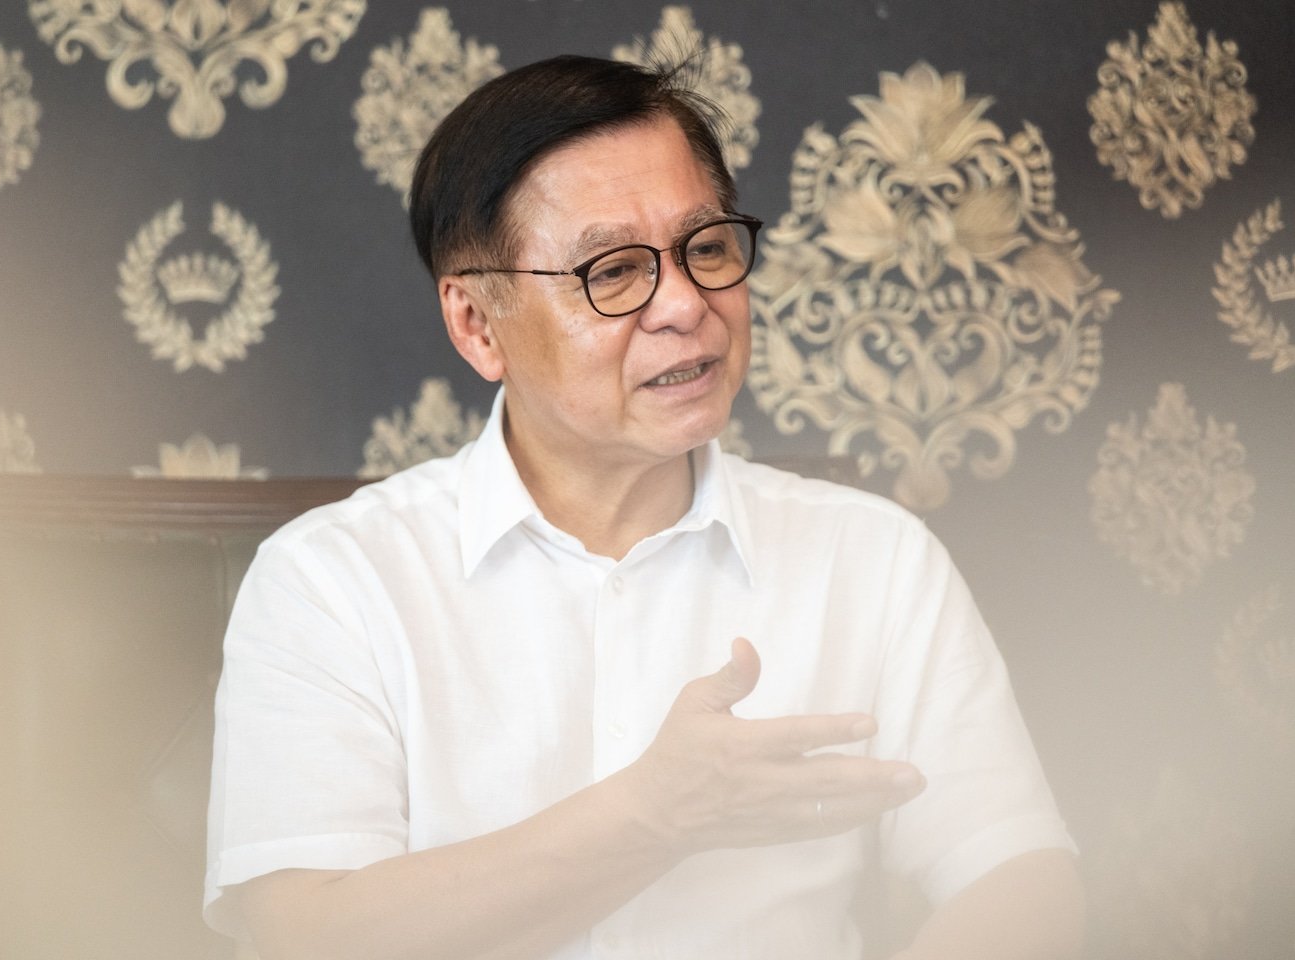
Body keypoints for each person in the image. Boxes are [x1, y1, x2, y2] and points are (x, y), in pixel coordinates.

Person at [204, 55, 1083, 960]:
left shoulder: (875, 558)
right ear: (476, 323)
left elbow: (1021, 882)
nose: (686, 306)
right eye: (614, 271)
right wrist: (654, 813)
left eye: (707, 249)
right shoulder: (331, 580)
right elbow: (305, 934)